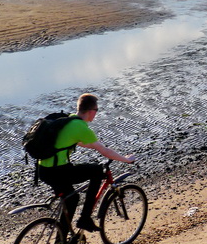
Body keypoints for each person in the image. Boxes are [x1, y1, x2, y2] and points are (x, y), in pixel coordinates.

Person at [37, 92, 136, 233]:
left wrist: (94, 144)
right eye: (96, 110)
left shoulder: (68, 119)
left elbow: (76, 141)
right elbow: (105, 152)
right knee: (97, 171)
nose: (96, 113)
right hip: (58, 171)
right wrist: (126, 159)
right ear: (91, 111)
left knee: (72, 199)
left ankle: (62, 241)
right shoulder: (81, 127)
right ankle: (85, 219)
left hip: (44, 171)